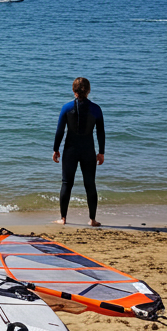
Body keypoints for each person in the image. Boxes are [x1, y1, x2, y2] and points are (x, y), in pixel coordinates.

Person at [52, 77, 105, 227]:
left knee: (66, 183)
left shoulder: (66, 108)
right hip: (88, 150)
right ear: (88, 91)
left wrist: (55, 149)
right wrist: (101, 152)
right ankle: (92, 220)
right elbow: (101, 132)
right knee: (90, 184)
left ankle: (63, 218)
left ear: (73, 91)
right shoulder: (96, 109)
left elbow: (60, 131)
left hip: (70, 150)